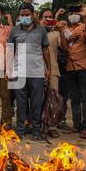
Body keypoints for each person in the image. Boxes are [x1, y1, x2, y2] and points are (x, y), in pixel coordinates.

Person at [8, 3, 51, 141]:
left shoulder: (41, 30)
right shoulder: (14, 30)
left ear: (33, 15)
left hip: (37, 72)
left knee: (36, 103)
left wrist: (48, 69)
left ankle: (36, 131)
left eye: (27, 15)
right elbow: (10, 51)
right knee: (21, 103)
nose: (24, 17)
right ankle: (20, 130)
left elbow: (45, 50)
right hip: (18, 72)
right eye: (22, 15)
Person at [58, 4, 86, 139]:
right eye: (70, 12)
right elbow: (64, 47)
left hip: (83, 67)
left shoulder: (83, 26)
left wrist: (85, 18)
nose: (72, 15)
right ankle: (76, 125)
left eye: (75, 13)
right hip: (70, 68)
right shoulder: (66, 28)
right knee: (75, 99)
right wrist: (61, 31)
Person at [39, 8, 62, 138]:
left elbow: (64, 47)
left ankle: (52, 126)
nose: (48, 19)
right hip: (37, 70)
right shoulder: (36, 31)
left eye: (50, 17)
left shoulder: (56, 34)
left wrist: (61, 31)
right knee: (39, 99)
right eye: (45, 17)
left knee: (53, 100)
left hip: (53, 69)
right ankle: (38, 125)